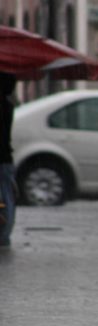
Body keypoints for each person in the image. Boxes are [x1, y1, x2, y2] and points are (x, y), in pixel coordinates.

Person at [0, 72, 17, 248]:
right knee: (7, 198)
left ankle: (2, 236)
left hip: (2, 159)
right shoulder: (8, 105)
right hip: (5, 159)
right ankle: (4, 236)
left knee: (4, 198)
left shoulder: (4, 106)